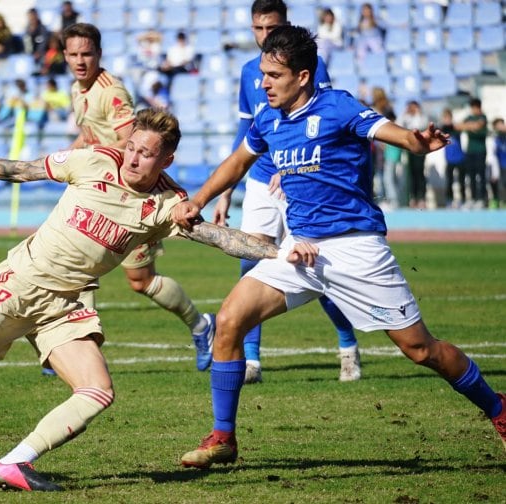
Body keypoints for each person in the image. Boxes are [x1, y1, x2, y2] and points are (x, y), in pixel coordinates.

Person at [0, 107, 305, 491]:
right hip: (18, 285)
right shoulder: (92, 161)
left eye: (146, 154)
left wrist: (284, 252)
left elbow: (221, 238)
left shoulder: (168, 204)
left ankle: (13, 463)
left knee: (97, 390)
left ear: (166, 160)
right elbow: (24, 170)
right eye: (132, 147)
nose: (133, 158)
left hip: (65, 306)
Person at [172, 25, 506, 469]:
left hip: (356, 248)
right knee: (231, 319)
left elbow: (396, 134)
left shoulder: (337, 106)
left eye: (274, 75)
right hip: (300, 250)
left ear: (303, 76)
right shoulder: (267, 118)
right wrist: (197, 199)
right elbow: (237, 162)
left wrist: (416, 142)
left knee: (420, 350)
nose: (264, 83)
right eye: (263, 74)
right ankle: (223, 437)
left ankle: (499, 410)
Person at [211, 0, 360, 385]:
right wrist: (226, 189)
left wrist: (290, 167)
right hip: (261, 179)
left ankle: (347, 345)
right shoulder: (250, 72)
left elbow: (320, 125)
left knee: (314, 266)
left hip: (300, 175)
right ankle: (252, 361)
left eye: (271, 29)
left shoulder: (312, 68)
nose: (264, 38)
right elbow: (246, 132)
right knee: (250, 261)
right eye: (257, 30)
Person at [62, 22, 216, 372]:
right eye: (73, 54)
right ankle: (75, 346)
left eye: (87, 53)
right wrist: (69, 159)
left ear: (99, 54)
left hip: (131, 197)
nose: (80, 60)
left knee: (140, 281)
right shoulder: (77, 89)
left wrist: (91, 159)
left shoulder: (111, 91)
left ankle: (202, 325)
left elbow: (133, 143)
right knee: (81, 264)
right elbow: (89, 136)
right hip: (101, 192)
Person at [456, 98, 488, 209]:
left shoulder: (483, 117)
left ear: (478, 107)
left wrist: (469, 126)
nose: (473, 110)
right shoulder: (469, 118)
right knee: (471, 176)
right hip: (470, 151)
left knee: (481, 175)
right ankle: (473, 199)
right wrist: (472, 126)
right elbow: (458, 126)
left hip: (480, 151)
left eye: (474, 107)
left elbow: (479, 125)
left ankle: (482, 199)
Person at [399, 100, 429, 208]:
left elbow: (422, 125)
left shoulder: (422, 117)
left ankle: (421, 197)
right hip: (410, 149)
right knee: (411, 174)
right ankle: (413, 197)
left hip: (420, 149)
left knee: (420, 173)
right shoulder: (406, 118)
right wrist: (404, 113)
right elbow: (399, 125)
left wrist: (418, 113)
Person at [441, 108, 466, 208]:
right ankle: (449, 200)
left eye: (448, 118)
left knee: (461, 181)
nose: (447, 120)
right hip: (449, 159)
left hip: (460, 158)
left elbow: (461, 126)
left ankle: (463, 201)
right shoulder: (443, 129)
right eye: (445, 118)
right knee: (449, 181)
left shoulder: (456, 128)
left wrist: (452, 124)